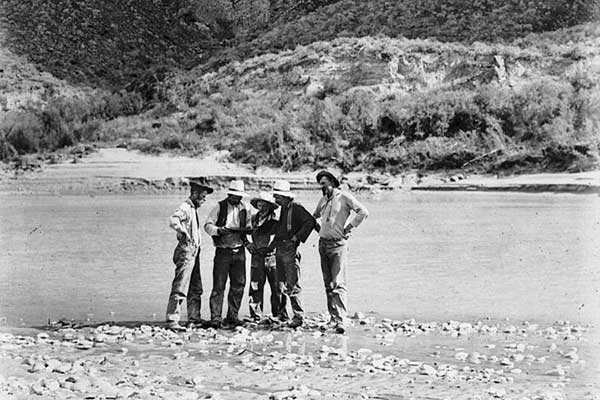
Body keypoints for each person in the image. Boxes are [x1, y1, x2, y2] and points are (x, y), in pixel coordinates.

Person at [313, 170, 369, 334]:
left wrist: (349, 227)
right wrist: (321, 230)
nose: (321, 187)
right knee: (328, 284)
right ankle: (333, 318)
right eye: (320, 184)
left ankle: (341, 320)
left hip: (338, 245)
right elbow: (314, 217)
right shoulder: (323, 200)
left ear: (331, 182)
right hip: (323, 244)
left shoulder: (344, 197)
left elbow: (363, 212)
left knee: (338, 283)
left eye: (323, 183)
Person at [166, 178, 214, 331]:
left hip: (195, 251)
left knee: (195, 286)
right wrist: (182, 232)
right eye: (202, 197)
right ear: (194, 194)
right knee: (181, 285)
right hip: (187, 250)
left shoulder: (192, 209)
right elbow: (173, 220)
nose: (204, 200)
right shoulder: (185, 207)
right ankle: (172, 319)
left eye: (205, 198)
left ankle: (194, 317)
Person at [204, 180, 252, 329]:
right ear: (230, 194)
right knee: (219, 286)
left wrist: (246, 233)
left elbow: (248, 227)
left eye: (239, 196)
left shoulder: (246, 208)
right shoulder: (219, 207)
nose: (237, 199)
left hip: (239, 250)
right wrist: (219, 231)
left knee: (239, 284)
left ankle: (233, 315)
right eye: (235, 196)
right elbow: (207, 226)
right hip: (223, 251)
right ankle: (216, 318)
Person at [270, 180, 315, 328]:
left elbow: (310, 222)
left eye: (278, 197)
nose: (276, 200)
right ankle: (283, 314)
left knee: (293, 284)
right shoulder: (284, 208)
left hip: (290, 249)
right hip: (281, 248)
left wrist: (296, 238)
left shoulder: (296, 208)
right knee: (280, 283)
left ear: (286, 197)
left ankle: (298, 316)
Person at [246, 192, 284, 321]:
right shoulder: (252, 219)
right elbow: (242, 232)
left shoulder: (276, 221)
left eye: (264, 205)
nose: (261, 208)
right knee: (255, 286)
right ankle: (256, 315)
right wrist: (247, 244)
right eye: (259, 205)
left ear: (269, 207)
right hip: (256, 257)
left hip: (273, 257)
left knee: (277, 287)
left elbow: (281, 237)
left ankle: (278, 315)